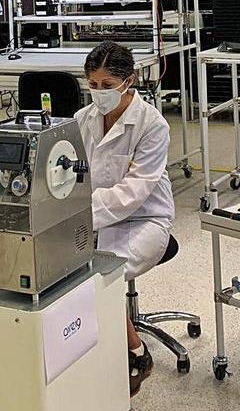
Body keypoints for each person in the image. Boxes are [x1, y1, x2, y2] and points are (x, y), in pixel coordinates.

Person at [75, 41, 175, 394]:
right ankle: (92, 352)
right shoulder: (83, 120)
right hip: (94, 220)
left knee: (100, 278)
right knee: (64, 273)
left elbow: (135, 191)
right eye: (93, 85)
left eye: (107, 86)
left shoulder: (151, 124)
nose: (99, 93)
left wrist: (83, 213)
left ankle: (136, 353)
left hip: (145, 220)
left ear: (129, 81)